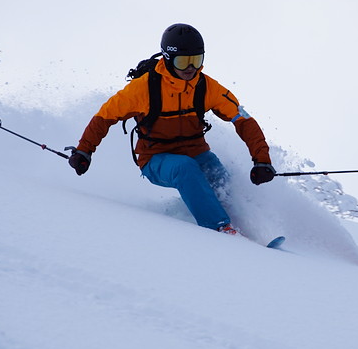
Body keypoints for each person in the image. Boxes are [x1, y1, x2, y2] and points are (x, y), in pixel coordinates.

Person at [69, 23, 276, 234]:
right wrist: (84, 150)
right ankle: (220, 228)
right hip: (155, 159)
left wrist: (262, 160)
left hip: (196, 153)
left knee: (217, 172)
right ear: (168, 59)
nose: (191, 68)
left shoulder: (206, 86)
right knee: (184, 168)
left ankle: (251, 226)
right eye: (184, 61)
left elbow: (243, 121)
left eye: (196, 60)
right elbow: (104, 117)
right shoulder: (143, 88)